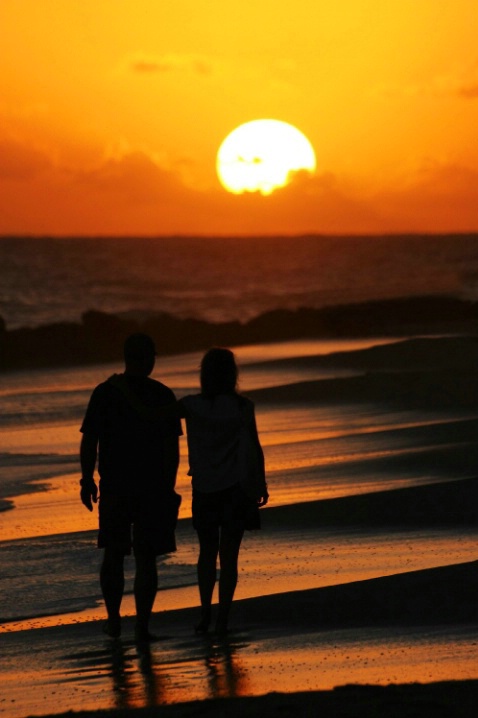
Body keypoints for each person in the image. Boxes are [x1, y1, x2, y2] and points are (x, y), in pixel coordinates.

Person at [79, 333, 182, 642]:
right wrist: (168, 485)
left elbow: (89, 440)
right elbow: (171, 449)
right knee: (146, 558)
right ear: (150, 359)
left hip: (115, 486)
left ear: (126, 357)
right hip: (152, 487)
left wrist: (87, 479)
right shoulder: (163, 394)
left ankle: (113, 621)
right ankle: (142, 626)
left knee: (113, 555)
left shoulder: (105, 392)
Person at [179, 347, 269, 635]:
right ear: (233, 375)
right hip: (237, 488)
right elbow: (255, 446)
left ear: (204, 375)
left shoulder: (191, 405)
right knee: (229, 557)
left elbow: (155, 414)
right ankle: (222, 620)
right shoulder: (243, 407)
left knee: (207, 553)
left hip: (205, 488)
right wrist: (261, 483)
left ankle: (205, 614)